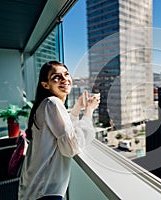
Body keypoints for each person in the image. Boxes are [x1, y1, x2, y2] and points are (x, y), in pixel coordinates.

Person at [18, 61, 100, 200]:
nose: (64, 79)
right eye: (56, 77)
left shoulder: (45, 104)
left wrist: (77, 108)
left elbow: (62, 129)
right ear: (45, 84)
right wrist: (89, 111)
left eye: (66, 74)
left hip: (37, 187)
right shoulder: (52, 103)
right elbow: (71, 146)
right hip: (45, 191)